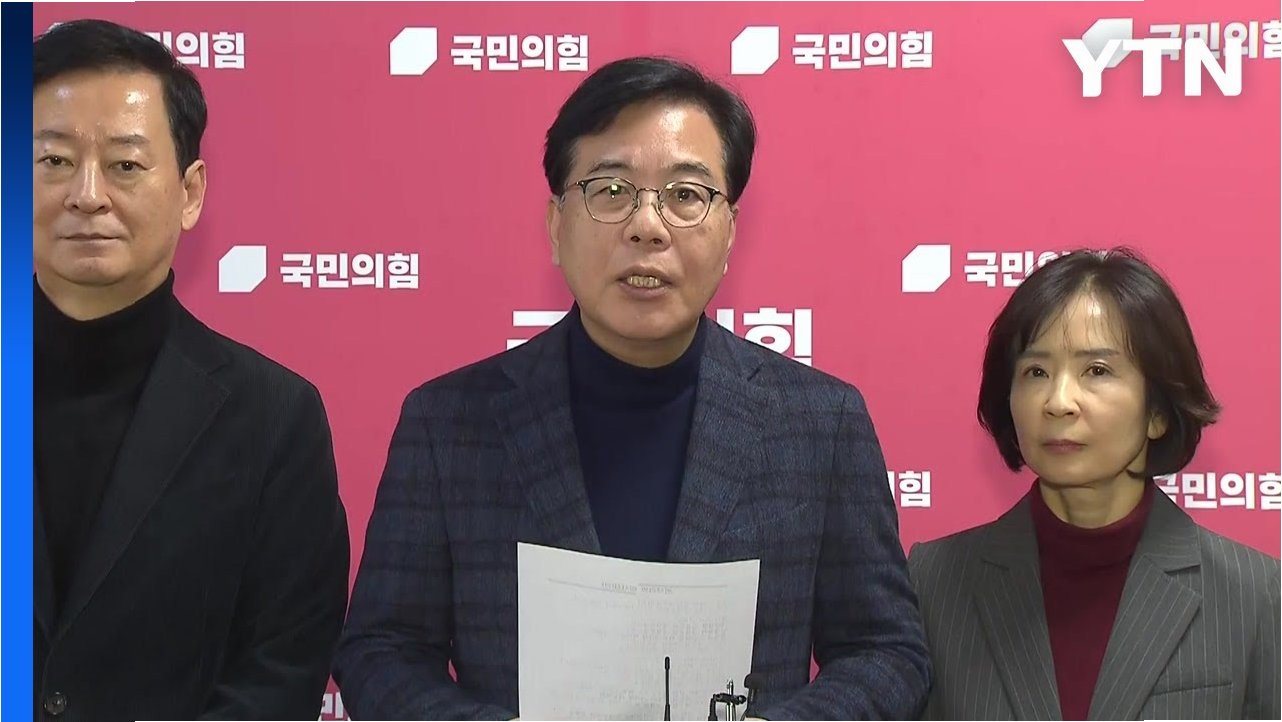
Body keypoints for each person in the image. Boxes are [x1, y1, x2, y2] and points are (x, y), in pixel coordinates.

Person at [333, 56, 930, 720]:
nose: (648, 225)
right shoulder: (447, 423)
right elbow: (381, 651)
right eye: (612, 190)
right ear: (557, 226)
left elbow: (886, 652)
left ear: (730, 233)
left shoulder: (820, 422)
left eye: (685, 195)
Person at [33, 19, 350, 721]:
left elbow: (281, 672)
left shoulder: (275, 418)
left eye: (125, 165)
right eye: (53, 160)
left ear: (190, 191)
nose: (87, 194)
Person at [908, 247, 1280, 720]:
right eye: (1036, 372)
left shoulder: (1254, 593)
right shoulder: (934, 581)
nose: (1058, 401)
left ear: (1158, 411)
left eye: (1097, 371)